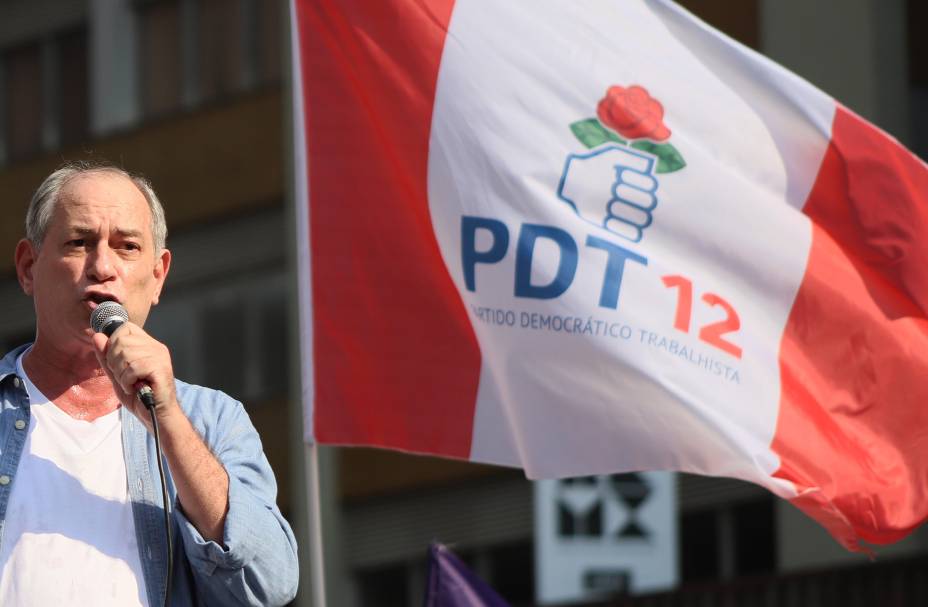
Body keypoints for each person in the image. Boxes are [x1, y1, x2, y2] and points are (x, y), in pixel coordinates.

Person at [0, 162, 299, 606]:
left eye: (127, 247)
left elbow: (267, 583)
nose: (102, 266)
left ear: (157, 275)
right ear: (28, 268)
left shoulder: (213, 421)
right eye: (79, 243)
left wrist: (168, 418)